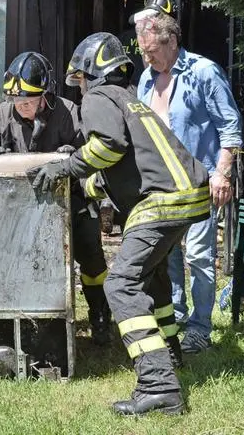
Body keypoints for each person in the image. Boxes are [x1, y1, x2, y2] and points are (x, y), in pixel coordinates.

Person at [28, 33, 210, 415]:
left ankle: (159, 385)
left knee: (122, 283)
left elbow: (107, 146)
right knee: (152, 276)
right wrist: (83, 176)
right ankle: (171, 353)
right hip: (185, 195)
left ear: (90, 73)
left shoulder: (99, 98)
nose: (78, 89)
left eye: (78, 81)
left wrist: (64, 165)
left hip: (160, 202)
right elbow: (119, 167)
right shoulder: (128, 98)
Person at [0, 51, 112, 345]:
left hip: (72, 202)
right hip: (17, 213)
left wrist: (72, 158)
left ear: (46, 95)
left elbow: (94, 159)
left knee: (92, 258)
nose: (21, 107)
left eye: (28, 101)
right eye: (17, 101)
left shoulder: (70, 114)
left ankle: (100, 316)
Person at [135, 0, 242, 354]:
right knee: (168, 255)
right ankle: (176, 316)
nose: (146, 58)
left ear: (171, 40)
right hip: (162, 186)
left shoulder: (203, 72)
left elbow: (230, 126)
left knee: (198, 255)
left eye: (151, 51)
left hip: (199, 184)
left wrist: (222, 175)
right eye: (143, 51)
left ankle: (200, 328)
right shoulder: (147, 80)